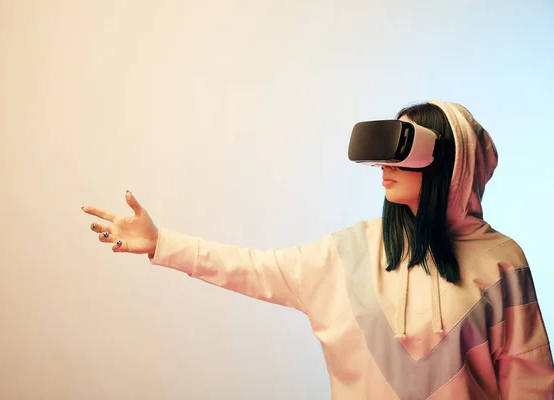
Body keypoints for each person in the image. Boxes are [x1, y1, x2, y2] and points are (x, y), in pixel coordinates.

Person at [82, 100, 554, 399]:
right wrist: (162, 243)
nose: (383, 168)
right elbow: (254, 269)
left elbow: (529, 380)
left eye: (399, 153)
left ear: (449, 161)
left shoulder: (500, 262)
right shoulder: (348, 253)